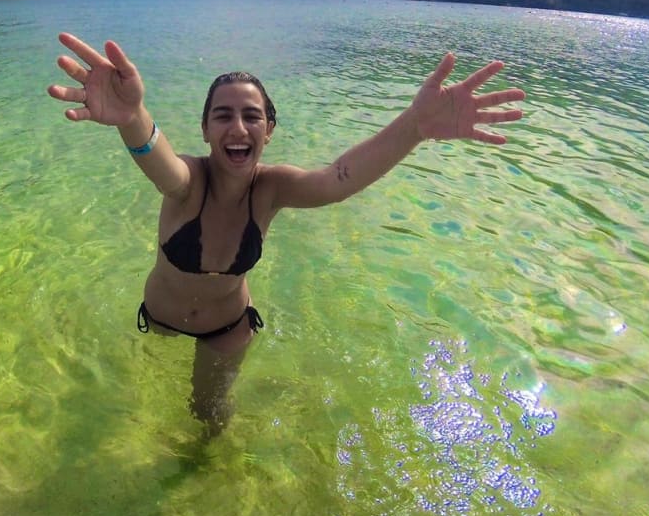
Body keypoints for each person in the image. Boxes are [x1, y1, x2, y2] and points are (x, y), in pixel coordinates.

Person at [48, 32, 525, 433]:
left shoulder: (272, 189)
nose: (238, 126)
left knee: (208, 421)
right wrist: (132, 118)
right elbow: (159, 160)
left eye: (252, 115)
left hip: (226, 328)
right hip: (160, 315)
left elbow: (340, 178)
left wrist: (415, 126)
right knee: (129, 406)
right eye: (223, 115)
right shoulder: (188, 184)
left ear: (269, 129)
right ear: (206, 130)